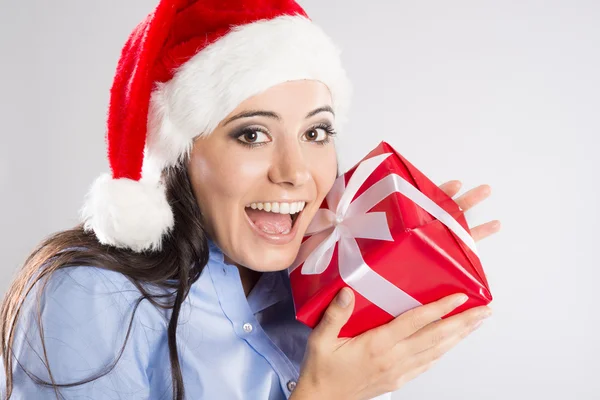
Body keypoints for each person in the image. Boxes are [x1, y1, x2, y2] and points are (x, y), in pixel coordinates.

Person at [0, 0, 500, 399]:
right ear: (180, 154)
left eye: (317, 131)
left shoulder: (320, 287)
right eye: (253, 135)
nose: (295, 173)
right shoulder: (92, 297)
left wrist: (404, 267)